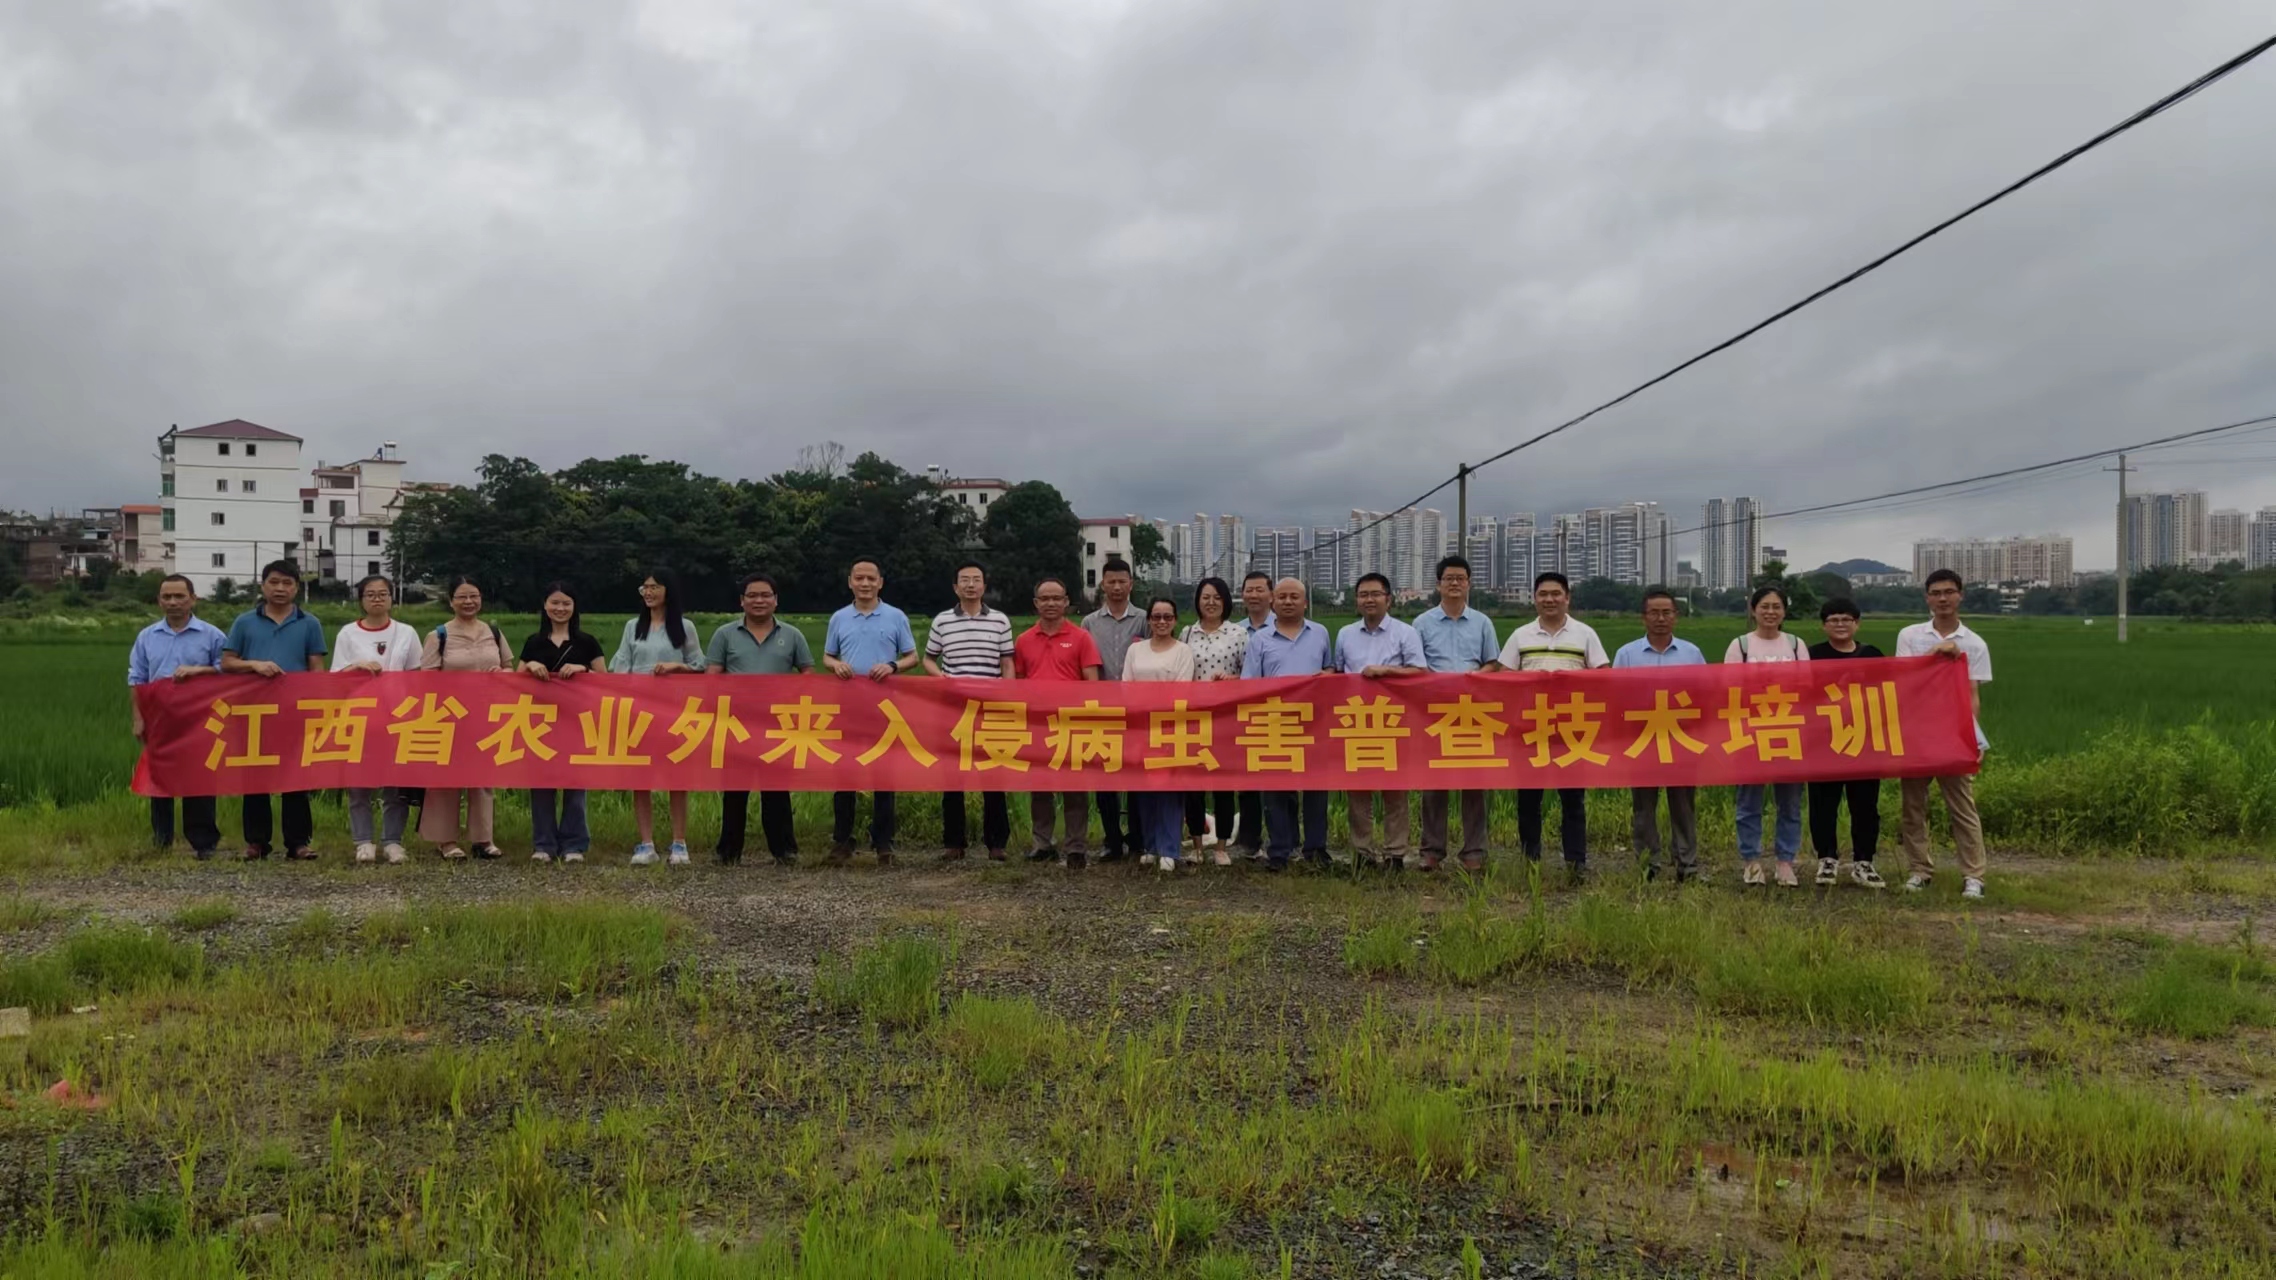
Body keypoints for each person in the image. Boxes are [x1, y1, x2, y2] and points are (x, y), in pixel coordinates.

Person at [1502, 571, 1611, 880]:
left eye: (1555, 594)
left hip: (1572, 729)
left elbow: (1603, 674)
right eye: (1543, 594)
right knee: (1528, 799)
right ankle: (1530, 859)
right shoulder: (1521, 635)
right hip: (1530, 728)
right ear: (1534, 598)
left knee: (1573, 799)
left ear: (1567, 598)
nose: (1549, 599)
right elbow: (1503, 676)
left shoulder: (1585, 634)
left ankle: (1576, 863)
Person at [1895, 569, 1993, 899]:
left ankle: (1974, 876)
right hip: (1916, 734)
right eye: (1936, 593)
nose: (1943, 598)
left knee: (1962, 807)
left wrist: (1972, 738)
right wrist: (1935, 654)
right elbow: (1903, 680)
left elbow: (1972, 694)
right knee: (1913, 806)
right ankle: (1919, 870)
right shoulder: (1910, 636)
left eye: (1949, 592)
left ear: (1960, 595)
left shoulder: (1975, 643)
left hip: (1953, 734)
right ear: (1927, 598)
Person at [220, 560, 327, 860]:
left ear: (296, 587)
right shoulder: (244, 622)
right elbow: (227, 663)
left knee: (296, 778)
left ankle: (298, 843)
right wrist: (253, 664)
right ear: (263, 585)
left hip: (294, 712)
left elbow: (316, 668)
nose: (280, 588)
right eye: (274, 582)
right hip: (254, 713)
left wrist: (318, 706)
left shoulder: (310, 623)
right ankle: (256, 842)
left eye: (287, 583)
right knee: (255, 778)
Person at [708, 571, 814, 866]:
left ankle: (784, 850)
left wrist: (794, 700)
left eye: (765, 595)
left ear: (775, 600)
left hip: (778, 725)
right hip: (736, 725)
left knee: (777, 790)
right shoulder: (725, 634)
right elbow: (712, 676)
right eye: (752, 595)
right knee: (734, 790)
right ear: (742, 601)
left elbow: (807, 673)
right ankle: (728, 851)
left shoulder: (792, 635)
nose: (759, 600)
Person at [822, 557, 919, 864]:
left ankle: (883, 842)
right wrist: (836, 665)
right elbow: (827, 656)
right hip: (848, 706)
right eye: (859, 578)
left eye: (870, 579)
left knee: (883, 776)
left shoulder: (895, 616)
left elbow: (912, 657)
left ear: (880, 583)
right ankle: (842, 840)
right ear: (850, 582)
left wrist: (892, 666)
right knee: (844, 775)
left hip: (886, 708)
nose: (865, 584)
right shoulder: (839, 618)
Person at [611, 569, 707, 865]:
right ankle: (646, 843)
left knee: (676, 776)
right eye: (645, 587)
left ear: (668, 590)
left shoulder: (685, 627)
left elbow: (699, 664)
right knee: (641, 777)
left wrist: (677, 668)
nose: (649, 592)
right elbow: (621, 665)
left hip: (675, 711)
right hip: (639, 711)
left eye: (654, 586)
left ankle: (679, 843)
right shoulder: (632, 627)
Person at [1412, 555, 1501, 872]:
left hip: (1472, 711)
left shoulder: (1482, 623)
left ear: (1468, 583)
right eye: (1448, 578)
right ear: (1438, 584)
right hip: (1434, 712)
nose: (1454, 583)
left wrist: (1479, 677)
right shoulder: (1421, 624)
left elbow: (1493, 662)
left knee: (1474, 782)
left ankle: (1474, 851)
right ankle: (1431, 850)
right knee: (1434, 783)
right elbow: (1415, 667)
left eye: (1460, 578)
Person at [128, 573, 224, 859]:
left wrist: (199, 670)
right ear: (159, 601)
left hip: (200, 718)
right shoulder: (147, 637)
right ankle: (162, 840)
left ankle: (204, 842)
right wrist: (138, 717)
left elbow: (228, 669)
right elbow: (137, 679)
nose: (173, 602)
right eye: (167, 597)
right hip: (160, 718)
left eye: (179, 596)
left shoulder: (212, 635)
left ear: (193, 599)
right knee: (160, 779)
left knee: (200, 780)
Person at [1241, 577, 1334, 870]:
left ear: (1305, 602)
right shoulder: (1260, 639)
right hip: (1274, 724)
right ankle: (1280, 849)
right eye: (1282, 597)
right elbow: (1249, 684)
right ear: (1273, 602)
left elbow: (1330, 669)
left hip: (1314, 724)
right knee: (1276, 791)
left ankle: (1316, 848)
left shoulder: (1320, 633)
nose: (1288, 602)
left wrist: (1327, 677)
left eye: (1295, 597)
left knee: (1316, 790)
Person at [1613, 589, 1705, 882]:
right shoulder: (1627, 654)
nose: (1661, 618)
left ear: (1676, 617)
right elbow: (1615, 697)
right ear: (1644, 617)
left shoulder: (1692, 653)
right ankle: (1647, 864)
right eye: (1654, 612)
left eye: (1667, 612)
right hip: (1642, 740)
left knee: (1683, 805)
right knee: (1643, 807)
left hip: (1681, 739)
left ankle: (1687, 864)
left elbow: (1705, 695)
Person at [924, 561, 1014, 861]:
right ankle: (954, 843)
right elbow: (928, 659)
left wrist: (1007, 692)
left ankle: (996, 843)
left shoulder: (1000, 621)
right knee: (952, 777)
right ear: (955, 587)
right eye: (965, 580)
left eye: (977, 579)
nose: (971, 585)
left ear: (984, 586)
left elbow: (1007, 662)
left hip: (991, 710)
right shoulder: (942, 621)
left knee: (994, 776)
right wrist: (943, 681)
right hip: (953, 710)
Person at [420, 574, 514, 861]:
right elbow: (427, 680)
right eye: (462, 596)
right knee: (446, 779)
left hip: (486, 716)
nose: (469, 601)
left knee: (483, 778)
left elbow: (509, 667)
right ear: (451, 601)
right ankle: (446, 840)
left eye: (474, 596)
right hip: (449, 717)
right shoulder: (439, 636)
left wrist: (503, 676)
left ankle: (483, 839)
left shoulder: (493, 632)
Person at [1723, 584, 1811, 887]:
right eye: (1765, 607)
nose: (1770, 612)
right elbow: (1730, 691)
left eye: (1776, 607)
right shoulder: (1741, 646)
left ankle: (1785, 861)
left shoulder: (1797, 645)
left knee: (1790, 802)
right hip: (1751, 733)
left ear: (1784, 611)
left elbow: (1807, 688)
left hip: (1789, 733)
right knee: (1749, 802)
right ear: (1753, 610)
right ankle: (1751, 860)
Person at [1336, 572, 1425, 868]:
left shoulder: (1405, 632)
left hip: (1393, 721)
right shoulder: (1345, 634)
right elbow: (1337, 675)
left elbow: (1419, 672)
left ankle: (1395, 853)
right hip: (1357, 720)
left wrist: (1385, 672)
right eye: (1363, 594)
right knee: (1358, 792)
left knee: (1394, 791)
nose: (1369, 599)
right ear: (1357, 600)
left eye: (1375, 594)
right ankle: (1362, 853)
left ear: (1388, 598)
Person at [331, 574, 421, 864]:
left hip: (396, 716)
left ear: (392, 598)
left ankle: (393, 841)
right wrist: (355, 666)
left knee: (394, 782)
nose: (377, 599)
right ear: (361, 600)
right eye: (370, 594)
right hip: (359, 716)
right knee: (359, 782)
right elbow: (335, 677)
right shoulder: (347, 633)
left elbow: (416, 676)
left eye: (383, 594)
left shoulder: (406, 632)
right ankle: (363, 841)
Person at [1015, 577, 1102, 867]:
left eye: (1057, 598)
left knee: (1075, 787)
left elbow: (1092, 682)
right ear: (1036, 603)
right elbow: (1017, 683)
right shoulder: (1024, 640)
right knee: (1040, 787)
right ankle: (1043, 843)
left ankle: (1076, 847)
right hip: (1038, 725)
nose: (1051, 603)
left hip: (1072, 723)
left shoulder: (1081, 638)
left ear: (1066, 602)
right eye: (1045, 599)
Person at [518, 581, 607, 864]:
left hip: (577, 723)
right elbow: (512, 682)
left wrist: (583, 670)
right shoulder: (533, 642)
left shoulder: (587, 642)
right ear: (545, 606)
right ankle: (543, 844)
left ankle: (574, 844)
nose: (560, 608)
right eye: (555, 603)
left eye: (566, 603)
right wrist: (530, 666)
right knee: (541, 785)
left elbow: (607, 681)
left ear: (574, 606)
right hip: (538, 724)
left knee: (575, 784)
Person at [1807, 597, 1887, 889]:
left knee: (1865, 804)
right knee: (1822, 804)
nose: (1840, 624)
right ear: (1823, 625)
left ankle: (1864, 861)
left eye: (1846, 619)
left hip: (1863, 742)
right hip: (1822, 742)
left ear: (1857, 623)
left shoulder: (1873, 654)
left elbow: (1889, 693)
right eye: (1833, 620)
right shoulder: (1811, 655)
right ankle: (1826, 859)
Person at [1124, 596, 1196, 870]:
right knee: (1145, 789)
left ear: (1175, 620)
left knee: (1169, 789)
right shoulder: (1136, 650)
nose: (1162, 622)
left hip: (1171, 727)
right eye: (1156, 616)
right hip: (1141, 727)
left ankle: (1169, 847)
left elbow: (1182, 689)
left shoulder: (1182, 651)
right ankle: (1150, 846)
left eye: (1167, 616)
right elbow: (1126, 685)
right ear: (1149, 620)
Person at [1179, 576, 1247, 865]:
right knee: (1192, 786)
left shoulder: (1239, 634)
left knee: (1222, 784)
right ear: (1197, 601)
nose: (1211, 602)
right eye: (1206, 597)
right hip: (1192, 718)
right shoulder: (1186, 633)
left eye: (1217, 597)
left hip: (1226, 718)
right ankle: (1196, 845)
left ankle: (1220, 847)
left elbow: (1251, 676)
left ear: (1226, 602)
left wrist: (1234, 679)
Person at [1083, 558, 1146, 861]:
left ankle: (1137, 838)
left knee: (1136, 776)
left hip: (1138, 713)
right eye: (1112, 582)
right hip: (1102, 711)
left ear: (1131, 584)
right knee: (1104, 778)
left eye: (1123, 581)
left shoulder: (1145, 619)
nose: (1118, 587)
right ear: (1103, 585)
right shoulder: (1090, 623)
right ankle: (1111, 840)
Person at [1231, 569, 1276, 859]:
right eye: (1249, 589)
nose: (1254, 595)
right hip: (1243, 714)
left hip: (1279, 715)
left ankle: (1282, 841)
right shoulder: (1235, 631)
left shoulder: (1285, 626)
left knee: (1280, 781)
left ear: (1271, 595)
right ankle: (1248, 841)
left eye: (1260, 589)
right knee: (1245, 780)